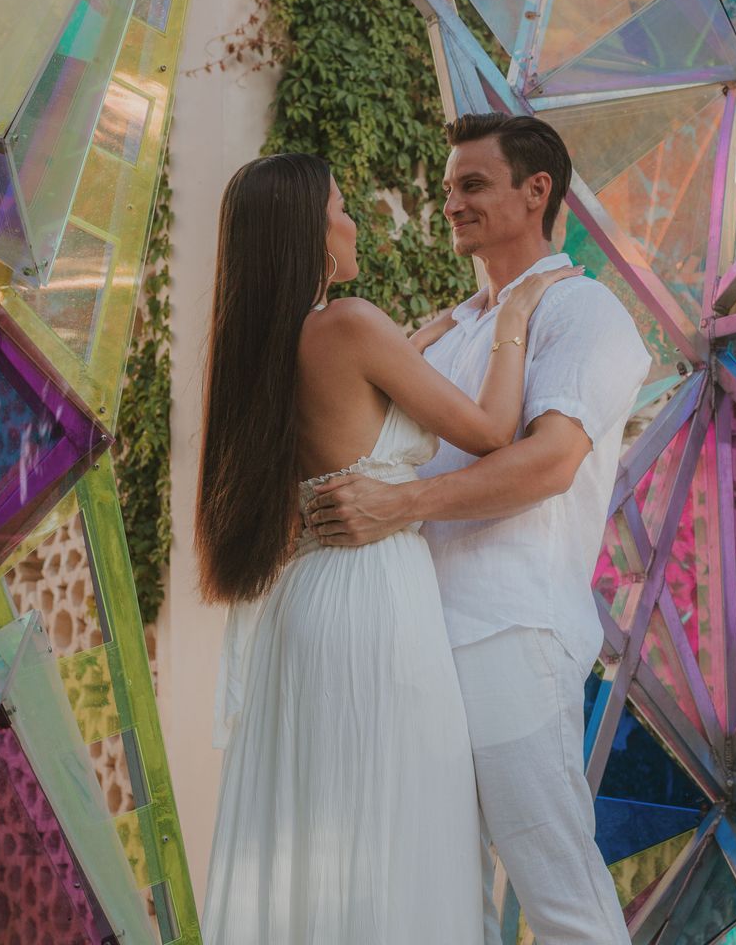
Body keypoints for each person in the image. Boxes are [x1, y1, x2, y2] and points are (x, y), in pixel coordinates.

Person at [196, 151, 577, 945]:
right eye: (339, 208)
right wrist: (510, 320)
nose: (351, 220)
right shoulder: (349, 325)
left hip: (307, 610)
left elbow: (355, 402)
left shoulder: (260, 347)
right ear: (306, 230)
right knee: (401, 830)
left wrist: (431, 329)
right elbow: (491, 431)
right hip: (375, 601)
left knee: (330, 841)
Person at [307, 113, 649, 945]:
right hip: (414, 638)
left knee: (556, 884)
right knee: (436, 900)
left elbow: (550, 462)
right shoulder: (457, 327)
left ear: (538, 192)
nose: (450, 201)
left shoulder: (584, 311)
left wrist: (403, 506)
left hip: (508, 630)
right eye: (450, 184)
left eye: (472, 184)